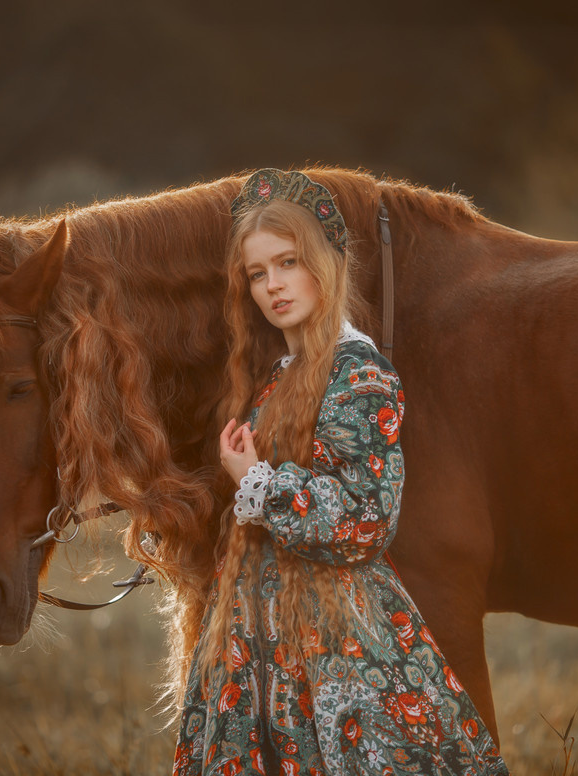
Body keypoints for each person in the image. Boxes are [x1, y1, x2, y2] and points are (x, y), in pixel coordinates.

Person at [172, 169, 509, 776]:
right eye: (257, 273)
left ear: (325, 264)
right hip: (263, 639)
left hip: (335, 640)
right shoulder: (278, 376)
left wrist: (259, 483)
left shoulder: (361, 374)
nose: (273, 285)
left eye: (288, 262)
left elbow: (364, 518)